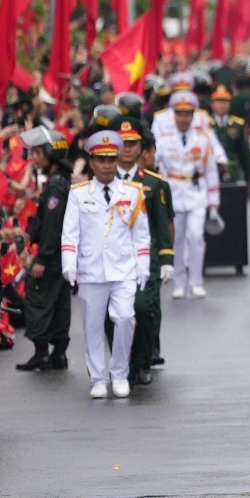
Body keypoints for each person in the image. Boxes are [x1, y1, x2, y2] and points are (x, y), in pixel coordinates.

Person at [62, 129, 151, 400]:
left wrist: (143, 265)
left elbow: (141, 233)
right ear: (91, 162)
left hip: (123, 267)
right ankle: (98, 379)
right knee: (92, 327)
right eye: (100, 160)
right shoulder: (78, 193)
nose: (107, 165)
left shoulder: (133, 192)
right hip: (91, 269)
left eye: (111, 159)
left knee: (125, 318)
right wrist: (69, 262)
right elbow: (70, 233)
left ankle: (120, 373)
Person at [113, 121, 175, 385]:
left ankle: (141, 362)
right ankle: (121, 363)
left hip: (144, 259)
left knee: (141, 307)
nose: (128, 149)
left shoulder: (153, 184)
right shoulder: (104, 182)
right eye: (123, 144)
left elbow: (162, 226)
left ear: (140, 148)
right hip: (112, 258)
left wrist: (167, 259)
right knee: (115, 314)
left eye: (133, 144)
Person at [14, 127, 74, 372]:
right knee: (60, 303)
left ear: (51, 153)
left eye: (38, 152)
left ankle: (42, 354)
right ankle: (58, 354)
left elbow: (52, 227)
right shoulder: (60, 180)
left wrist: (41, 258)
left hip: (52, 256)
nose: (34, 157)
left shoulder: (55, 187)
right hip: (62, 256)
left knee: (38, 299)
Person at [155, 91, 220, 299]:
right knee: (177, 240)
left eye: (187, 114)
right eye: (179, 114)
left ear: (193, 116)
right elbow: (153, 164)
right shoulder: (164, 141)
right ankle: (179, 283)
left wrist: (214, 200)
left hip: (196, 192)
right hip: (173, 192)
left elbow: (210, 170)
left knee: (196, 236)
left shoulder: (202, 139)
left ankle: (196, 280)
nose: (183, 118)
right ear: (174, 115)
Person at [210, 85, 250, 184]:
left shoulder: (237, 124)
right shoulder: (205, 124)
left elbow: (244, 151)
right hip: (213, 169)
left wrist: (249, 175)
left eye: (225, 102)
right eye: (219, 102)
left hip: (233, 169)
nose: (222, 105)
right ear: (212, 104)